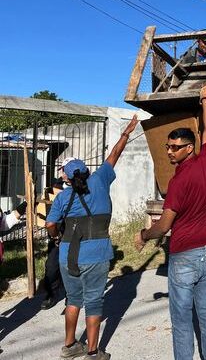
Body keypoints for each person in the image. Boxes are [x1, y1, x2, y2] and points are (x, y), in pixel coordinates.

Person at [134, 83, 206, 360]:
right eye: (167, 146)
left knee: (182, 320)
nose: (170, 151)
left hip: (184, 257)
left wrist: (144, 235)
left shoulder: (178, 181)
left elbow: (164, 226)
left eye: (175, 147)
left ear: (188, 148)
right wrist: (205, 100)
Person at [46, 116, 138, 360]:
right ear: (86, 171)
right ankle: (93, 352)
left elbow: (50, 224)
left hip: (68, 255)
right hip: (95, 254)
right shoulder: (100, 180)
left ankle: (69, 346)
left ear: (65, 177)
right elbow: (114, 155)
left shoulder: (63, 198)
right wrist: (126, 133)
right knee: (94, 302)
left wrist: (56, 238)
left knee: (73, 300)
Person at [41, 177, 67, 310]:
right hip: (55, 239)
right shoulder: (52, 196)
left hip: (71, 237)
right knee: (51, 268)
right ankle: (51, 294)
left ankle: (71, 296)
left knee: (72, 267)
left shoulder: (73, 193)